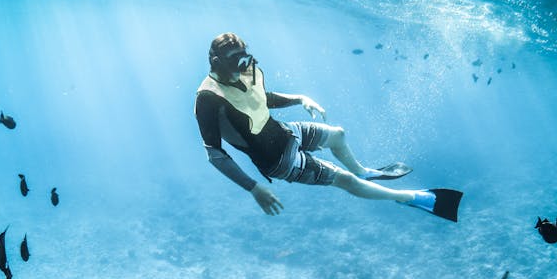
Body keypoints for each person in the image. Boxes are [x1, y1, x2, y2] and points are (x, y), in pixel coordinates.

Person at [194, 32, 461, 221]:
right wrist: (254, 188)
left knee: (338, 135)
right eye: (235, 61)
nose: (243, 67)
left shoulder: (243, 71)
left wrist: (301, 98)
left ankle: (364, 172)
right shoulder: (207, 99)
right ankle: (408, 198)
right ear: (217, 63)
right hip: (277, 161)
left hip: (285, 131)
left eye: (244, 59)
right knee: (344, 180)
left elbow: (260, 99)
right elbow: (214, 154)